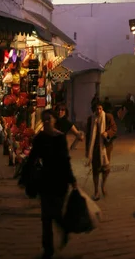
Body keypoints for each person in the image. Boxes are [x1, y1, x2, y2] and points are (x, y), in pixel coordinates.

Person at [26, 109, 77, 259]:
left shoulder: (60, 138)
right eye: (45, 119)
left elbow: (65, 161)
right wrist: (27, 175)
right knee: (46, 217)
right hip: (46, 181)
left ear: (55, 120)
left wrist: (72, 179)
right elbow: (32, 158)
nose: (47, 121)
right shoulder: (40, 138)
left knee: (55, 213)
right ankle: (48, 248)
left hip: (60, 182)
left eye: (50, 119)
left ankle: (65, 229)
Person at [85, 102, 117, 201]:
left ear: (102, 109)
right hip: (94, 148)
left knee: (106, 169)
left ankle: (103, 185)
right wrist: (87, 150)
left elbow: (114, 129)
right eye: (97, 109)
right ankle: (96, 191)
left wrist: (107, 133)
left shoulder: (108, 117)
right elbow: (88, 135)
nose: (98, 111)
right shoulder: (91, 119)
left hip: (105, 147)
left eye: (100, 109)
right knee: (95, 170)